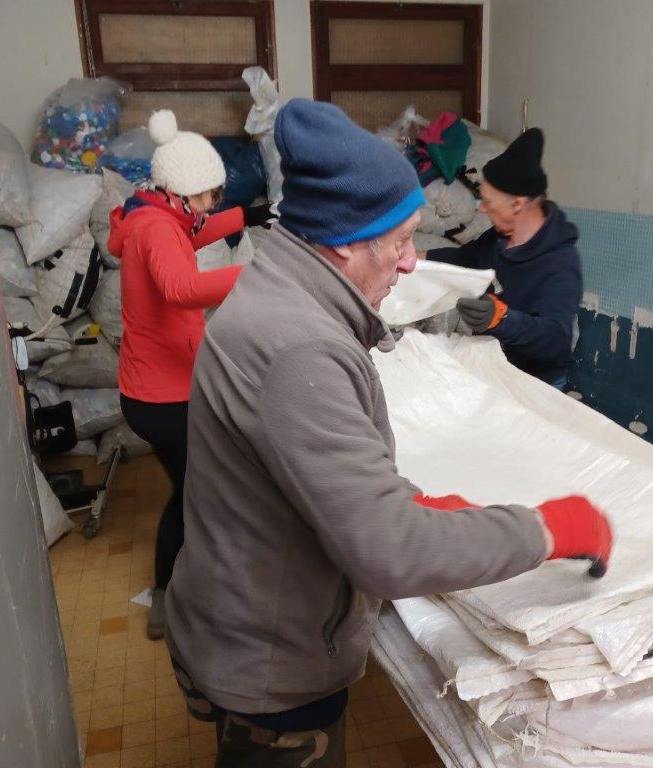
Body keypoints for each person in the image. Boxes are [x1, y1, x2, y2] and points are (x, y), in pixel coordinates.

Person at [163, 100, 612, 767]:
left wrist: (405, 501)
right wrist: (545, 529)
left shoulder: (270, 290)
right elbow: (390, 553)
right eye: (399, 242)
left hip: (233, 615)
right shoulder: (302, 350)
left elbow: (290, 466)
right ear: (345, 239)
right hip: (273, 666)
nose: (409, 264)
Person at [107, 109, 274, 639]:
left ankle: (191, 583)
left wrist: (251, 215)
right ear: (177, 192)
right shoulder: (156, 229)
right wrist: (257, 272)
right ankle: (170, 592)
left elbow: (192, 235)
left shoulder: (156, 215)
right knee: (194, 493)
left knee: (195, 488)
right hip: (161, 398)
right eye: (206, 197)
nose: (211, 205)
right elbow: (181, 289)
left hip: (158, 386)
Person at [420, 128, 582, 390]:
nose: (482, 208)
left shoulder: (560, 262)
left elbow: (556, 341)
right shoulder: (497, 238)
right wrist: (413, 258)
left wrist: (501, 319)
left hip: (536, 382)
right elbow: (463, 258)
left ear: (517, 204)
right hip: (494, 366)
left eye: (487, 201)